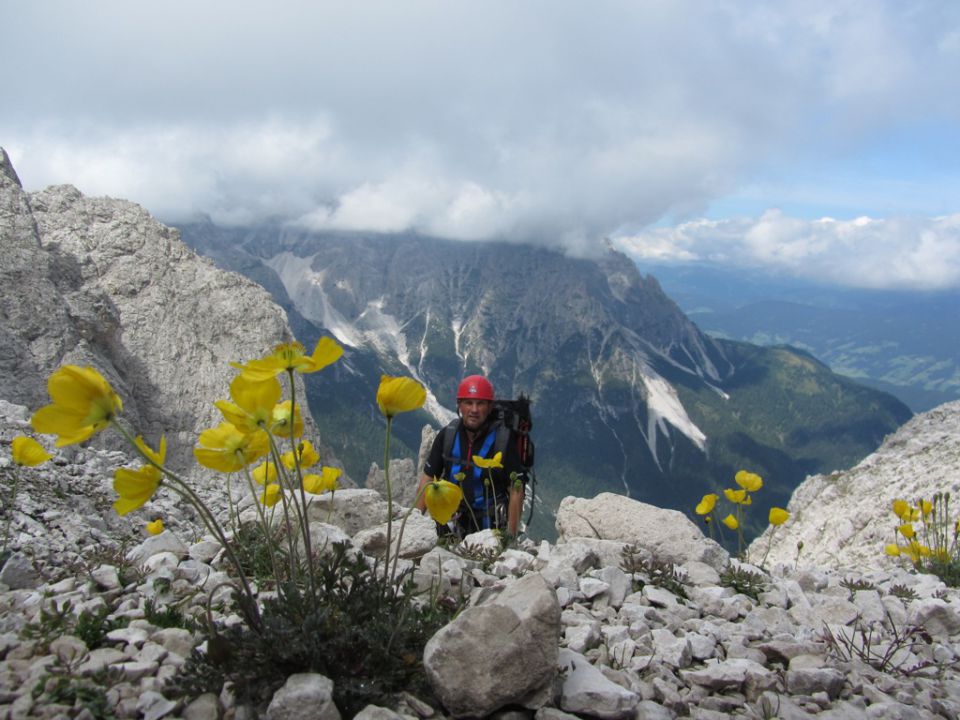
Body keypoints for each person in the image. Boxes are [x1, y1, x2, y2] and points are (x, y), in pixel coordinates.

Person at [416, 375, 526, 537]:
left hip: (490, 531)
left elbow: (516, 491)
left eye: (480, 403)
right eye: (468, 402)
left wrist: (510, 537)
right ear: (460, 406)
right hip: (449, 527)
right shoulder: (448, 436)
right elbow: (428, 481)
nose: (474, 410)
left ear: (489, 407)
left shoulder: (502, 441)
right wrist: (414, 523)